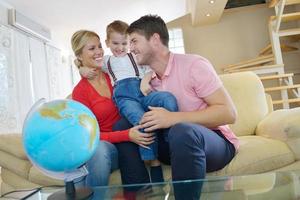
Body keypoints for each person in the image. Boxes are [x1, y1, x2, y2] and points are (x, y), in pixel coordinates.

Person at [114, 15, 240, 199]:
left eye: (134, 41)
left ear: (155, 40)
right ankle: (143, 195)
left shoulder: (194, 65)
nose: (130, 48)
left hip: (213, 140)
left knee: (182, 130)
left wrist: (173, 118)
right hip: (172, 145)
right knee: (124, 127)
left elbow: (229, 113)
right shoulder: (147, 81)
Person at [79, 20, 178, 183]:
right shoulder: (106, 61)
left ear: (129, 42)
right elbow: (90, 64)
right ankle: (152, 160)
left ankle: (169, 138)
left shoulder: (135, 55)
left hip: (142, 92)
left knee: (168, 98)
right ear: (107, 43)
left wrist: (145, 81)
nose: (120, 47)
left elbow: (150, 69)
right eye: (115, 43)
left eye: (124, 43)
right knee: (142, 121)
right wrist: (82, 69)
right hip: (124, 97)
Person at [70, 30, 156, 187]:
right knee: (98, 150)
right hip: (111, 144)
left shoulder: (112, 73)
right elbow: (88, 136)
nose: (98, 52)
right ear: (80, 56)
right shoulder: (80, 91)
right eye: (91, 48)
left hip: (134, 133)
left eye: (99, 46)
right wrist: (126, 135)